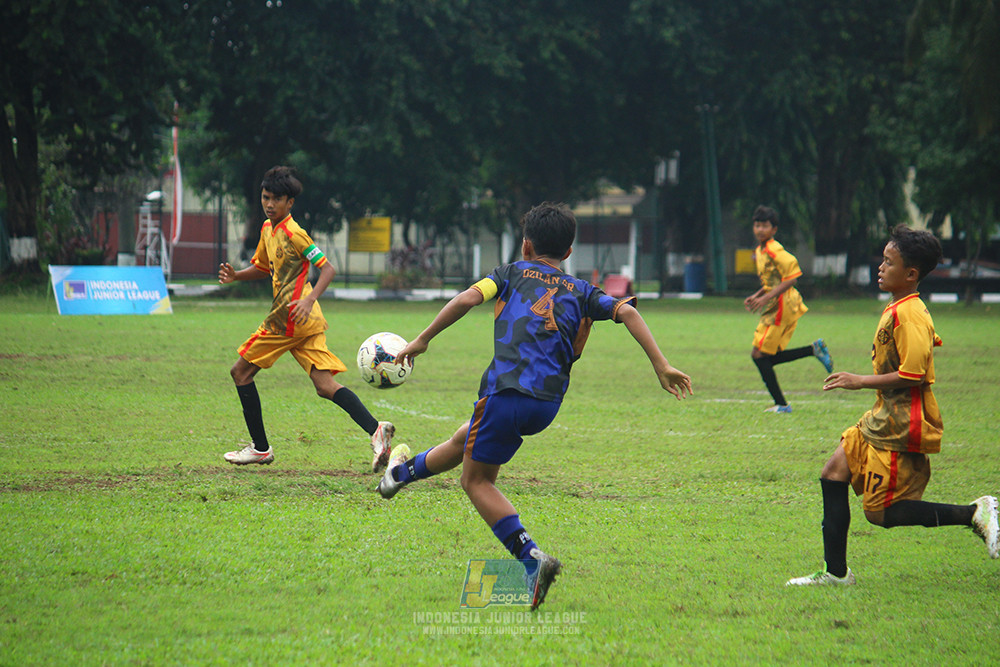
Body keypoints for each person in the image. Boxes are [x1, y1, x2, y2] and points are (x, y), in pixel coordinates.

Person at [374, 202, 693, 610]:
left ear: (526, 245)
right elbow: (626, 310)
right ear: (570, 252)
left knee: (476, 481)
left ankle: (531, 558)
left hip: (506, 392)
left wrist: (422, 339)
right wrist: (660, 365)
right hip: (545, 405)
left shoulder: (507, 274)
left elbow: (466, 299)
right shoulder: (581, 290)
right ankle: (399, 476)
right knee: (466, 437)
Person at [786, 224, 999, 586]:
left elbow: (914, 374)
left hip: (904, 422)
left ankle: (974, 513)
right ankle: (836, 574)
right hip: (883, 415)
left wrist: (860, 380)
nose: (880, 267)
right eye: (882, 259)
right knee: (833, 473)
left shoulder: (911, 314)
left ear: (911, 274)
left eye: (888, 261)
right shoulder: (897, 304)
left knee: (881, 513)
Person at [217, 166, 393, 471]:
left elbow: (327, 269)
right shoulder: (267, 230)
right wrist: (237, 276)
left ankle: (260, 449)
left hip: (290, 319)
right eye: (265, 197)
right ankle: (377, 431)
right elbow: (262, 267)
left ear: (290, 203)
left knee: (240, 373)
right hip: (304, 321)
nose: (269, 204)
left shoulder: (295, 233)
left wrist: (310, 298)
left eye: (276, 199)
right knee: (324, 385)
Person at [744, 205, 833, 413]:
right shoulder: (760, 251)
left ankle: (782, 405)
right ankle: (813, 350)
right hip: (774, 305)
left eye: (764, 226)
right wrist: (757, 296)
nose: (759, 229)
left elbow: (791, 278)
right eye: (757, 225)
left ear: (774, 229)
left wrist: (765, 297)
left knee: (759, 355)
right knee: (762, 355)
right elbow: (771, 281)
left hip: (783, 306)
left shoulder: (775, 250)